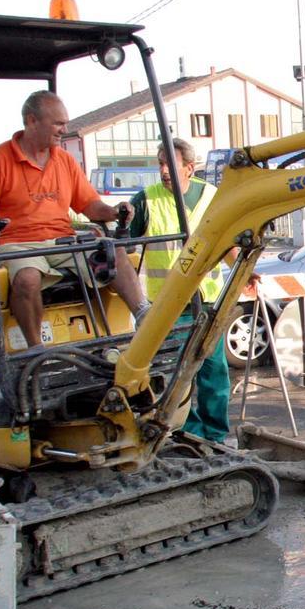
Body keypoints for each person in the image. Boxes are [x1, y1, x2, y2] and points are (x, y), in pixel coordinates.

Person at [0, 90, 148, 347]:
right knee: (27, 278)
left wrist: (113, 211)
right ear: (31, 121)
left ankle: (143, 315)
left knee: (113, 252)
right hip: (19, 243)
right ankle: (35, 349)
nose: (64, 130)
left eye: (65, 123)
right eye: (58, 123)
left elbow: (89, 205)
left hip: (62, 241)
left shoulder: (65, 161)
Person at [126, 139, 234, 443]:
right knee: (175, 373)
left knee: (213, 369)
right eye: (160, 164)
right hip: (166, 305)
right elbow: (126, 251)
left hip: (207, 299)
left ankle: (214, 434)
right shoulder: (145, 201)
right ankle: (186, 428)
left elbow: (226, 241)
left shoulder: (212, 196)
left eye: (169, 164)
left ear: (189, 167)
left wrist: (243, 270)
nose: (163, 171)